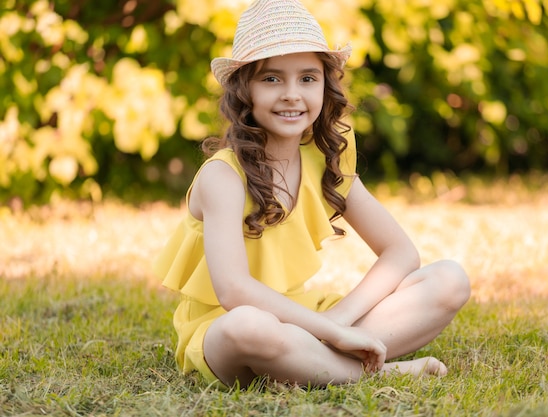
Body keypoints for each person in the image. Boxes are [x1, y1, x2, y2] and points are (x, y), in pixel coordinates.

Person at [155, 0, 470, 389]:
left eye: (308, 78)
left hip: (305, 319)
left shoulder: (325, 159)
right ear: (244, 90)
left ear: (326, 86)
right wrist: (333, 334)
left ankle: (309, 362)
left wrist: (337, 322)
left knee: (449, 280)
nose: (292, 94)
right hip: (228, 328)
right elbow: (234, 290)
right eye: (271, 79)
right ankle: (365, 371)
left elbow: (401, 253)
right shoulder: (223, 175)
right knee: (248, 326)